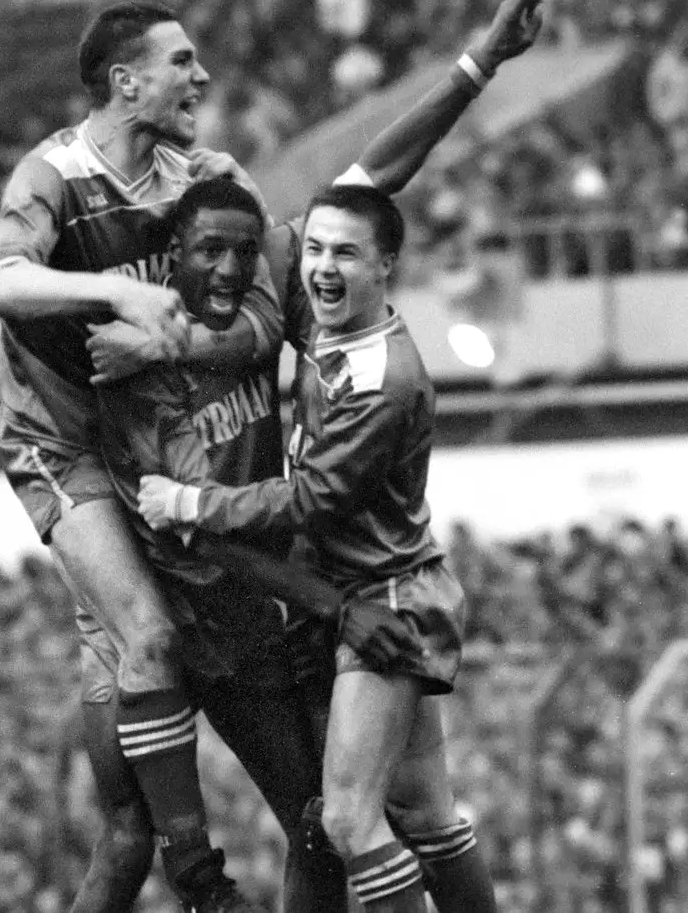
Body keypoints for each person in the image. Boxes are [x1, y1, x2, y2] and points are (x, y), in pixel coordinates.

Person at [0, 0, 283, 912]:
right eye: (182, 62)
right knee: (149, 635)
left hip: (153, 459)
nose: (201, 78)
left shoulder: (208, 182)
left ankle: (176, 852)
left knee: (122, 831)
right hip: (62, 448)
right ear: (127, 81)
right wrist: (108, 289)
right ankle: (203, 880)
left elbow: (267, 323)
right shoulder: (56, 176)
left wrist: (169, 345)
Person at [137, 184, 506, 913]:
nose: (323, 268)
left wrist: (191, 502)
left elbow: (310, 497)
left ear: (386, 265)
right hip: (390, 585)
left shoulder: (382, 381)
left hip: (384, 600)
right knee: (427, 814)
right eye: (314, 250)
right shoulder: (331, 331)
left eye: (346, 253)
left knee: (343, 817)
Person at [76, 177, 348, 913]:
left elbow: (366, 185)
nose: (228, 267)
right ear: (172, 256)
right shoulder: (129, 367)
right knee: (127, 840)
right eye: (209, 250)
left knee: (321, 826)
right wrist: (329, 601)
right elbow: (199, 531)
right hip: (150, 617)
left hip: (241, 621)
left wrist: (472, 66)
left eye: (243, 251)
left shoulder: (249, 332)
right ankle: (199, 883)